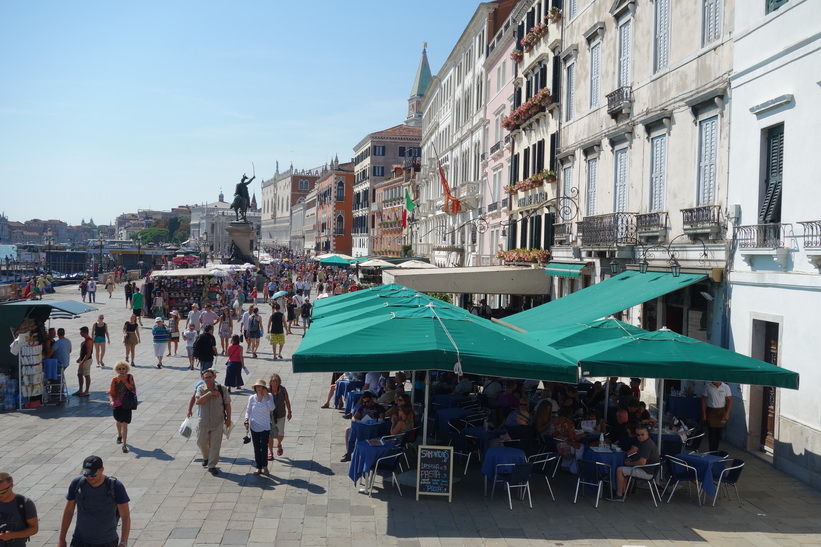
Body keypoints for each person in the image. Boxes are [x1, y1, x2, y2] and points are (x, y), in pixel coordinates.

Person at [58, 455, 130, 547]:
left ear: (102, 470)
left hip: (107, 542)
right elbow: (68, 511)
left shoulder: (115, 486)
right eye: (86, 474)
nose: (89, 477)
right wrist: (61, 539)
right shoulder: (77, 484)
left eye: (93, 474)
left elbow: (125, 516)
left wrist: (123, 542)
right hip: (80, 541)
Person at [195, 368, 232, 475]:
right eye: (205, 377)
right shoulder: (200, 389)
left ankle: (212, 465)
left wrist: (228, 419)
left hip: (218, 421)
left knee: (215, 445)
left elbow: (227, 405)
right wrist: (210, 393)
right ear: (202, 378)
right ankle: (206, 457)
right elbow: (198, 401)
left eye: (209, 377)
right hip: (204, 422)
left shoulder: (222, 389)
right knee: (201, 442)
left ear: (214, 377)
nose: (207, 379)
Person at [614, 425, 660, 500]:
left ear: (647, 434)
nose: (640, 437)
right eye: (638, 435)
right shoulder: (645, 442)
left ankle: (619, 495)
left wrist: (630, 463)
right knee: (624, 468)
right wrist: (631, 461)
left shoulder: (646, 445)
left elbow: (642, 462)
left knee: (619, 470)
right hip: (648, 469)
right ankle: (623, 492)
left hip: (647, 472)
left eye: (642, 434)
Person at [340, 392, 385, 462]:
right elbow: (354, 418)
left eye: (368, 401)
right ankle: (349, 453)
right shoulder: (363, 407)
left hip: (372, 427)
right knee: (349, 431)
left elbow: (382, 419)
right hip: (362, 426)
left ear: (372, 399)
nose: (367, 403)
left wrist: (375, 420)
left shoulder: (379, 407)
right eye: (365, 402)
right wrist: (359, 421)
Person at [245, 379, 275, 475]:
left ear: (264, 388)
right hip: (254, 425)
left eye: (261, 387)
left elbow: (272, 408)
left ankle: (265, 466)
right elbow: (248, 410)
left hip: (265, 426)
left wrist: (266, 396)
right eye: (257, 387)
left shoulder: (269, 397)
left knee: (264, 447)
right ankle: (258, 467)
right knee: (256, 447)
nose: (259, 389)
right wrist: (246, 420)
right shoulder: (251, 398)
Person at [0, 471, 39, 546]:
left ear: (12, 485)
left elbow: (34, 528)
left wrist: (12, 535)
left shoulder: (24, 503)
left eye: (3, 491)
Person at [108, 361, 136, 454]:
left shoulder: (130, 377)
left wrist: (124, 381)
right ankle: (119, 434)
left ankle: (124, 444)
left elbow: (133, 390)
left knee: (125, 423)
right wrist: (111, 400)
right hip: (117, 403)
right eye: (119, 368)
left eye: (123, 368)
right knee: (118, 420)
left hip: (126, 403)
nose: (121, 370)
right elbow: (111, 392)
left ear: (126, 369)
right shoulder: (114, 380)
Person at [267, 373, 292, 460]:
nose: (275, 383)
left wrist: (289, 411)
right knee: (269, 435)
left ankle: (278, 444)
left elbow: (287, 400)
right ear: (270, 382)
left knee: (280, 434)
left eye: (276, 382)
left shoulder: (283, 390)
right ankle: (270, 452)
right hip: (270, 416)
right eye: (273, 382)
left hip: (281, 414)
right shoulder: (267, 391)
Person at [702, 381, 732, 452]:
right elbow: (703, 400)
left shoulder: (726, 387)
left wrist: (727, 413)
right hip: (711, 411)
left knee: (719, 432)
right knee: (712, 432)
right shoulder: (707, 386)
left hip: (721, 411)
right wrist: (704, 413)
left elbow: (729, 400)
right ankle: (711, 450)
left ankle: (715, 450)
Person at [75, 327, 93, 397]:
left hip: (87, 360)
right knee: (79, 374)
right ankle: (80, 389)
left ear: (84, 332)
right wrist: (79, 358)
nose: (80, 333)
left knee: (86, 375)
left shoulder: (89, 341)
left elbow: (88, 353)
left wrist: (82, 362)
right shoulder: (84, 341)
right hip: (82, 360)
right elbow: (82, 352)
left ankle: (86, 391)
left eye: (81, 332)